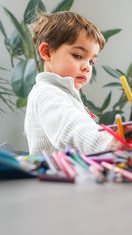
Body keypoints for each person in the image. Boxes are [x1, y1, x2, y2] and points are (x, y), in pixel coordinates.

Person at [24, 11, 123, 155]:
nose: (87, 67)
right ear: (47, 52)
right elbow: (71, 127)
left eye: (91, 61)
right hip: (53, 176)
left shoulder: (64, 93)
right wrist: (106, 143)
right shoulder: (46, 93)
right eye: (78, 56)